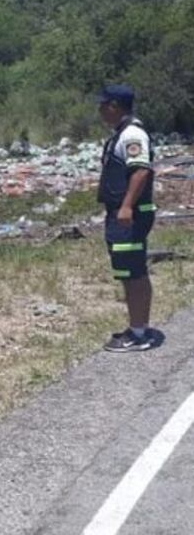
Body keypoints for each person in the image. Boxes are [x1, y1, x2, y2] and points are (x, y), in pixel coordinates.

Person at [96, 84, 156, 352]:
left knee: (134, 273)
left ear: (114, 106)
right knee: (128, 271)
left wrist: (127, 206)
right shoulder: (121, 133)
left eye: (103, 105)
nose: (99, 111)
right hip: (122, 214)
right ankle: (136, 326)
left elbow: (140, 171)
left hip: (129, 215)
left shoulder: (132, 134)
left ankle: (139, 334)